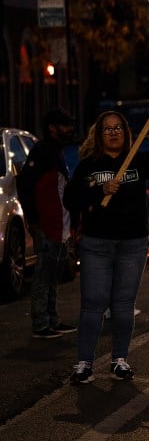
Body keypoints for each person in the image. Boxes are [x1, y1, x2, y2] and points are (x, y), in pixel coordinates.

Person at [64, 107, 149, 385]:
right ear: (99, 135)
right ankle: (84, 363)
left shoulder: (136, 159)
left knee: (124, 304)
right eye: (107, 129)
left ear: (126, 133)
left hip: (133, 243)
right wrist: (98, 190)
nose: (113, 133)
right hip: (97, 243)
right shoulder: (90, 164)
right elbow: (71, 198)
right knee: (93, 303)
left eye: (118, 128)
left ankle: (119, 360)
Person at [17, 108, 78, 339]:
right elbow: (26, 185)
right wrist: (34, 221)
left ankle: (52, 320)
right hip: (47, 225)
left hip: (58, 225)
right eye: (64, 125)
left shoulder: (54, 151)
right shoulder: (43, 151)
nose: (69, 129)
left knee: (53, 274)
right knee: (44, 275)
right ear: (52, 128)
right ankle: (41, 323)